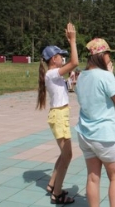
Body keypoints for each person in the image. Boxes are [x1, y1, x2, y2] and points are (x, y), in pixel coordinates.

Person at [76, 38, 115, 207]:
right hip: (105, 136)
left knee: (92, 177)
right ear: (102, 55)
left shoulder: (81, 76)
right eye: (108, 54)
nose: (110, 57)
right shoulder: (106, 76)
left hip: (85, 133)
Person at [37, 23, 79, 205]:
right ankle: (57, 194)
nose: (63, 58)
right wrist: (73, 40)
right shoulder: (52, 73)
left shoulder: (54, 74)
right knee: (68, 155)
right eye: (61, 56)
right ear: (54, 59)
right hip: (59, 116)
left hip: (60, 115)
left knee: (64, 154)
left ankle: (52, 184)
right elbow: (75, 62)